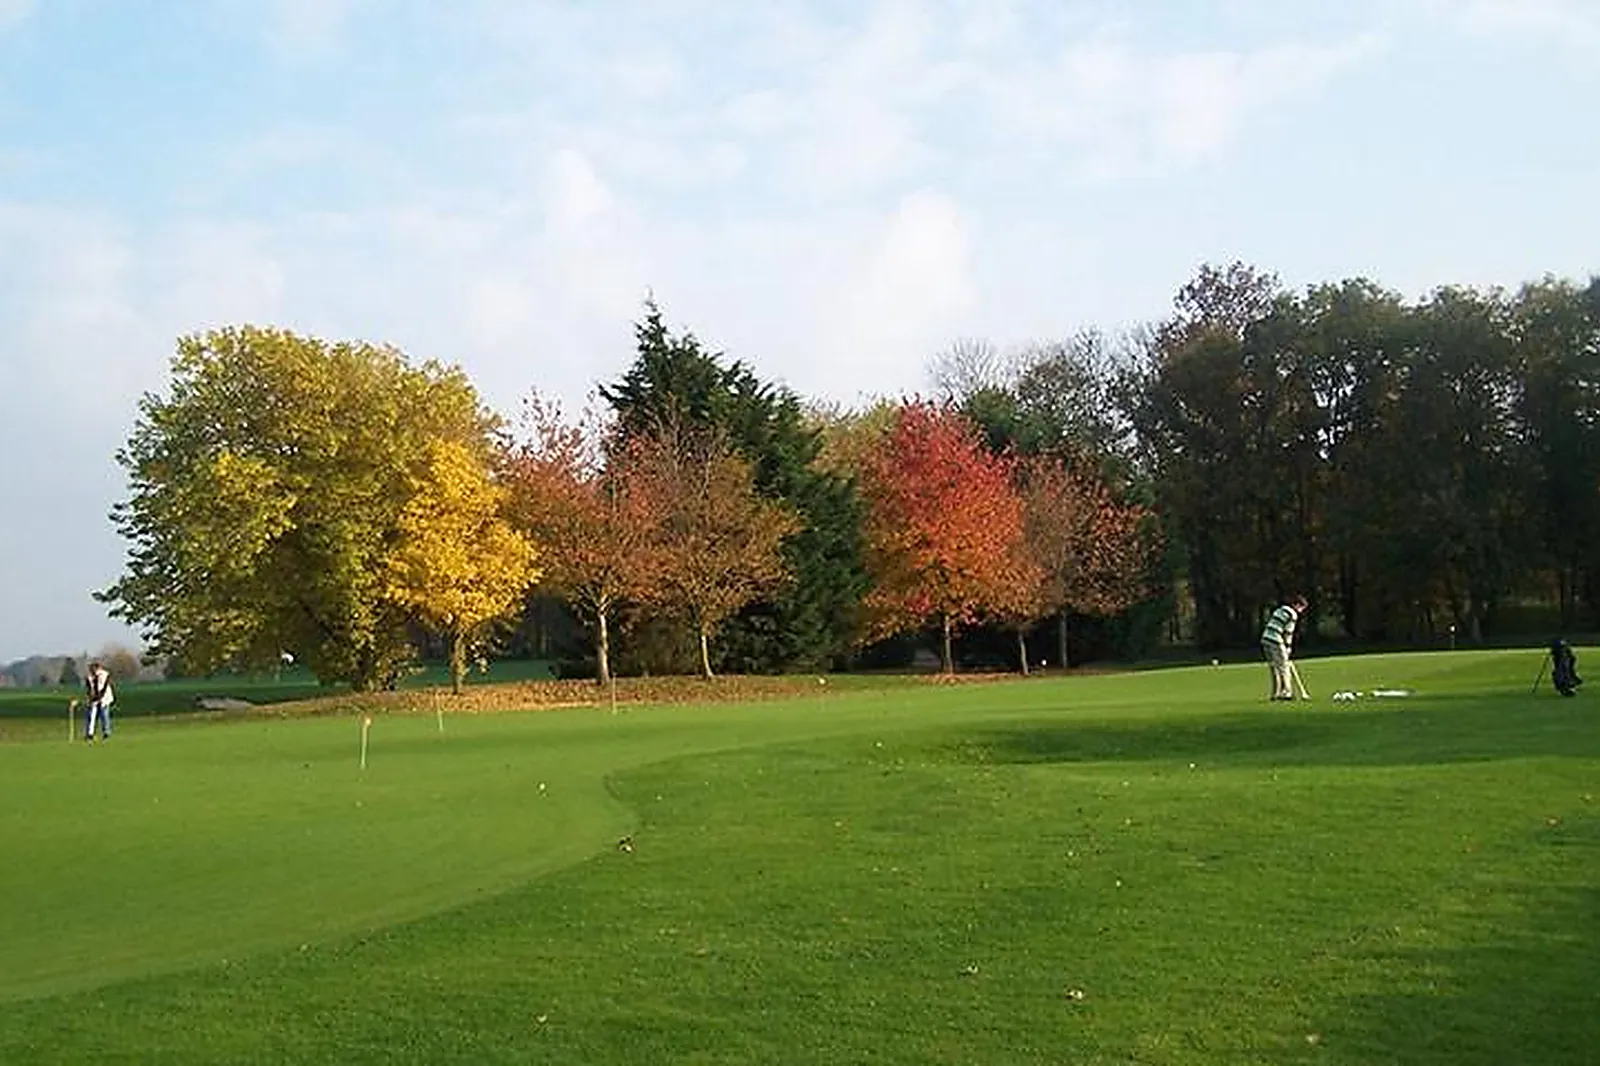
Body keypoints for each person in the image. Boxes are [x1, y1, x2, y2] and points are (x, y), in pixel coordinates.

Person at [1261, 595, 1308, 701]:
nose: (1301, 611)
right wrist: (1288, 647)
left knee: (1274, 667)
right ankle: (1286, 692)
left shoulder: (1280, 609)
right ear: (1296, 605)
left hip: (1265, 638)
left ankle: (1275, 693)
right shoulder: (1292, 614)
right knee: (1284, 666)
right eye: (1301, 608)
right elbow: (1288, 633)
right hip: (1276, 640)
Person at [83, 660, 115, 741]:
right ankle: (90, 734)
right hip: (94, 698)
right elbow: (89, 688)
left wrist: (99, 697)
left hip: (105, 698)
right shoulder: (89, 677)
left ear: (98, 668)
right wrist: (90, 698)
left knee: (104, 715)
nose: (92, 671)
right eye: (91, 669)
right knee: (91, 716)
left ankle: (106, 733)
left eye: (94, 668)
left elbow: (104, 688)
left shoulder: (104, 675)